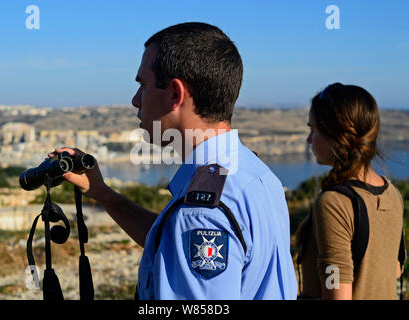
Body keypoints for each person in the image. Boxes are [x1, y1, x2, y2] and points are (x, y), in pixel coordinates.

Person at [51, 22, 297, 299]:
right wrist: (102, 193)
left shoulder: (201, 212)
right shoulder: (254, 174)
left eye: (142, 85)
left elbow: (192, 229)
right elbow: (173, 244)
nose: (135, 100)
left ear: (175, 94)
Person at [296, 82, 404, 300]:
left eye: (313, 129)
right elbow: (395, 269)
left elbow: (337, 294)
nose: (309, 139)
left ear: (335, 136)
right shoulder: (392, 194)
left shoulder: (334, 204)